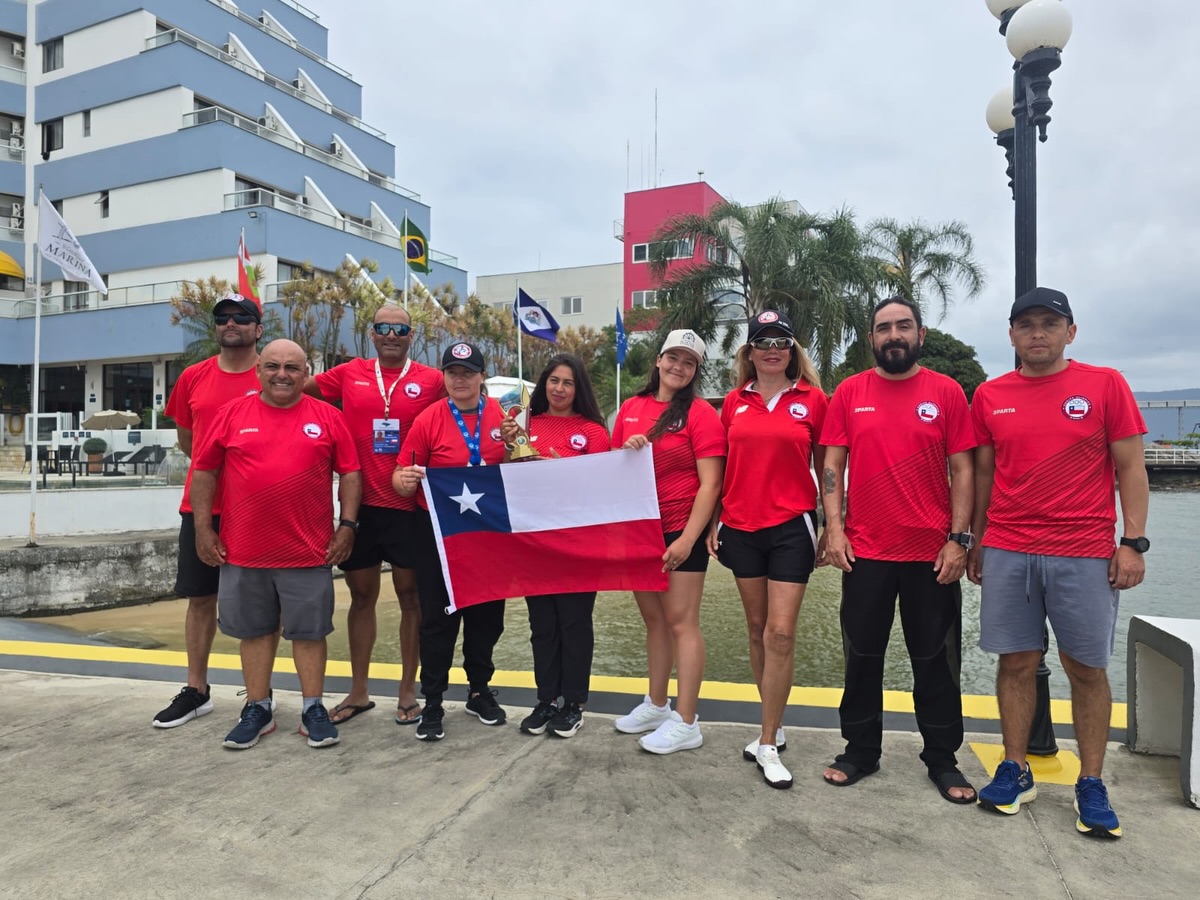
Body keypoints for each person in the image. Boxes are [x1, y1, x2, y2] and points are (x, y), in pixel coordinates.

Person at [968, 287, 1148, 838]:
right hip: (1008, 547)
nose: (1037, 333)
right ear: (1012, 336)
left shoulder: (1104, 384)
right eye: (1026, 325)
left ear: (1071, 331)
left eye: (1050, 323)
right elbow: (983, 474)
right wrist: (975, 539)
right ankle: (1015, 768)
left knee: (1086, 670)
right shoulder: (990, 394)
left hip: (1085, 552)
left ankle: (1090, 781)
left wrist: (1132, 542)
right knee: (1016, 663)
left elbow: (1131, 469)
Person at [820, 296, 977, 803]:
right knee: (861, 657)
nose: (893, 335)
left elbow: (963, 471)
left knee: (935, 659)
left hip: (931, 555)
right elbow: (832, 469)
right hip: (865, 552)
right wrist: (834, 530)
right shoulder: (849, 393)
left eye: (903, 326)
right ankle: (860, 751)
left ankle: (942, 759)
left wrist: (959, 539)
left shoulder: (947, 392)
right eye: (884, 328)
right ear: (872, 338)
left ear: (920, 334)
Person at [191, 339, 361, 750]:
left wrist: (348, 526)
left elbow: (351, 474)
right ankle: (258, 707)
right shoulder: (232, 415)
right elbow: (204, 471)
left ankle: (312, 707)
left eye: (291, 367)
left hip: (308, 551)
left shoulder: (327, 417)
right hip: (244, 550)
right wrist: (202, 529)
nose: (281, 374)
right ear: (259, 372)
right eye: (273, 366)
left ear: (306, 374)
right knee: (255, 631)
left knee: (309, 633)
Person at [305, 303, 445, 726]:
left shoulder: (432, 380)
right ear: (371, 333)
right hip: (359, 507)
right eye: (383, 328)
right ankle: (359, 691)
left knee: (411, 599)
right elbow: (298, 390)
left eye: (399, 330)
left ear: (411, 335)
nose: (390, 335)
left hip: (411, 506)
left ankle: (407, 691)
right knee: (362, 598)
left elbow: (461, 414)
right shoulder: (348, 373)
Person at [707, 311, 826, 789]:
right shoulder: (733, 402)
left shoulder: (814, 400)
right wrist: (714, 521)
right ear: (750, 352)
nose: (771, 349)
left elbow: (832, 469)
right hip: (740, 526)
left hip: (792, 527)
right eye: (762, 342)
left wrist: (836, 526)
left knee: (781, 634)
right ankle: (771, 724)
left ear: (792, 349)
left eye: (781, 341)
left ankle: (769, 741)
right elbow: (721, 468)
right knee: (756, 631)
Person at [153, 293, 269, 729]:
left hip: (257, 509)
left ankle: (259, 695)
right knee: (200, 599)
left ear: (258, 329)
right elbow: (190, 442)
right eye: (223, 317)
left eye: (242, 317)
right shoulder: (193, 377)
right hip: (202, 508)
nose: (231, 323)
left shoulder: (273, 375)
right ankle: (197, 690)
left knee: (259, 604)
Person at [611, 329, 726, 754]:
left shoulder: (700, 414)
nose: (679, 367)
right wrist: (627, 449)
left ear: (695, 371)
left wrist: (688, 540)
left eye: (689, 362)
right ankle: (656, 704)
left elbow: (710, 485)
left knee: (682, 622)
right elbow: (613, 470)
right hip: (641, 530)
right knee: (655, 622)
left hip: (682, 530)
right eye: (673, 358)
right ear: (658, 361)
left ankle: (687, 720)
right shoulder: (631, 408)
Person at [393, 341, 509, 742]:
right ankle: (435, 702)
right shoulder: (428, 419)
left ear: (481, 377)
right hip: (439, 534)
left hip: (490, 536)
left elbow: (521, 467)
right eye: (453, 372)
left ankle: (479, 691)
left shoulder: (503, 417)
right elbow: (401, 474)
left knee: (487, 619)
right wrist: (404, 480)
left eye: (468, 372)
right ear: (445, 377)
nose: (460, 379)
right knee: (438, 621)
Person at [499, 353, 612, 739]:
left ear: (578, 389)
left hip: (579, 544)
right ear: (543, 383)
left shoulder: (594, 432)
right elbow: (509, 477)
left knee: (575, 623)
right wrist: (510, 449)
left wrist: (562, 466)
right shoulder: (523, 425)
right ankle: (546, 700)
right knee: (542, 625)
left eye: (568, 382)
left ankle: (573, 703)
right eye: (553, 381)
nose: (559, 389)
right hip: (535, 542)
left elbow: (600, 487)